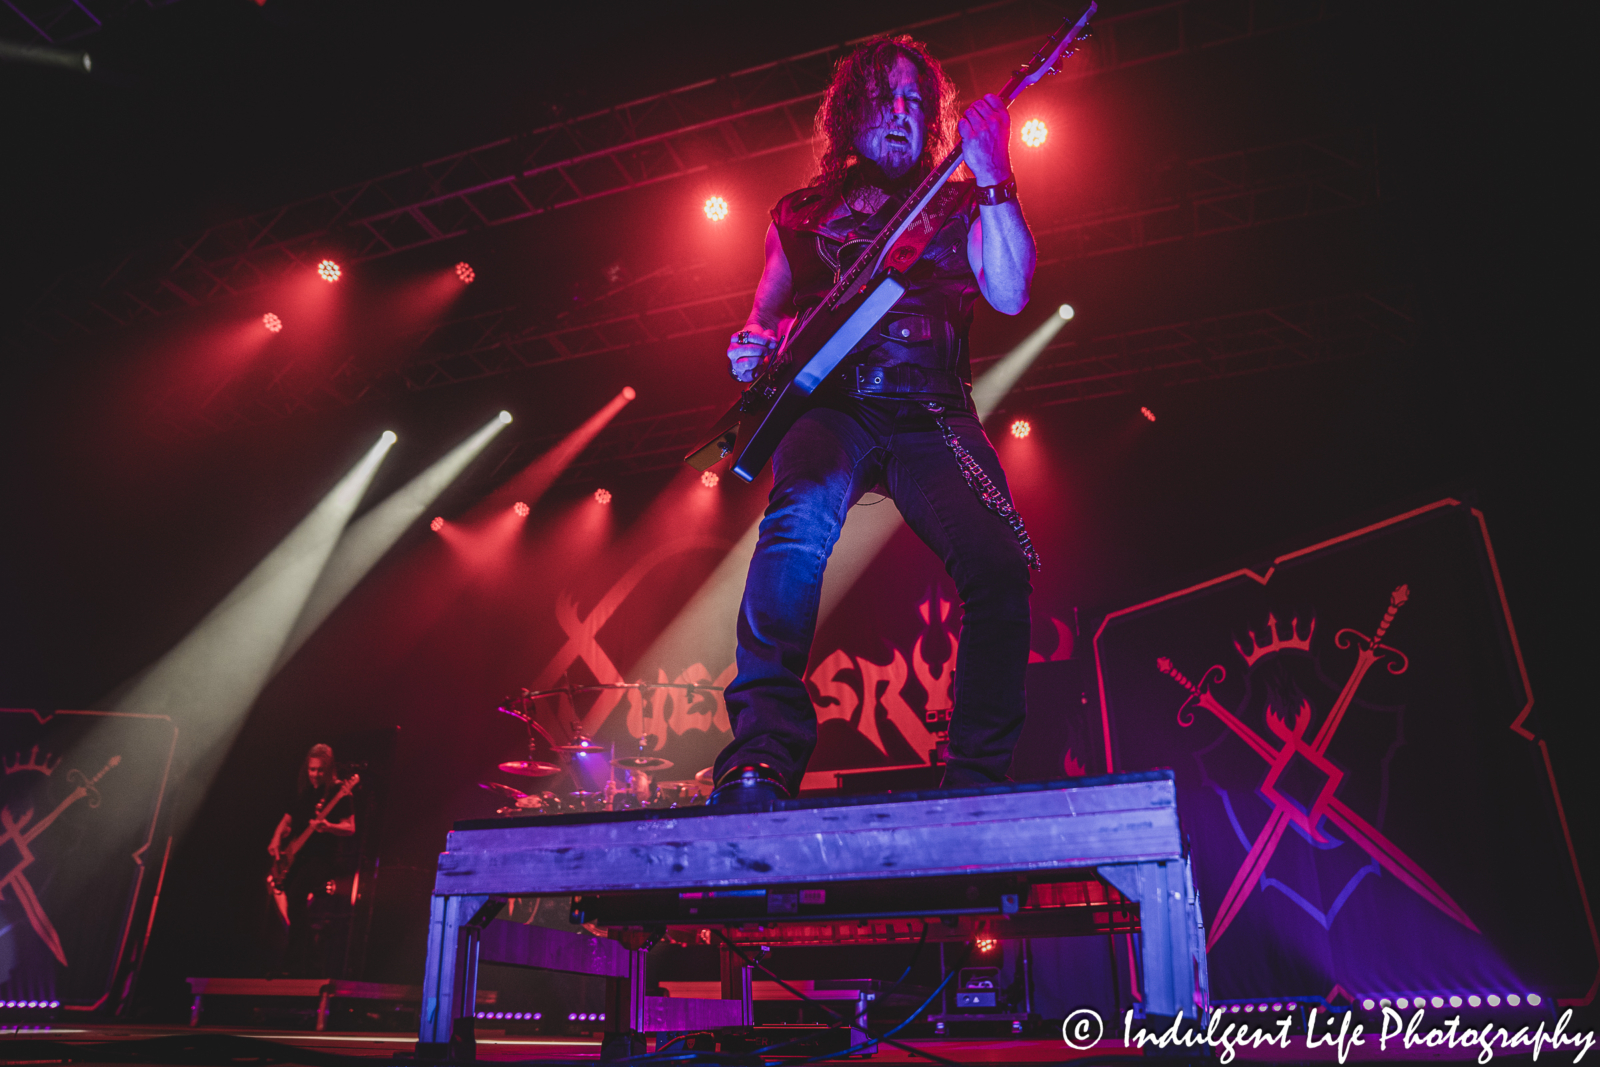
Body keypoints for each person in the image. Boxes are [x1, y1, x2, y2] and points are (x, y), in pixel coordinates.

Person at [710, 35, 1040, 806]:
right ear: (852, 111)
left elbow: (1013, 292)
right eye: (885, 97)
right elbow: (761, 322)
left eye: (915, 101)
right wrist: (750, 350)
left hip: (934, 410)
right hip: (833, 406)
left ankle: (977, 777)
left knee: (1002, 565)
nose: (901, 112)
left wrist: (995, 175)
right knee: (794, 525)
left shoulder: (958, 199)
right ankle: (759, 756)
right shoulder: (798, 215)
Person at [267, 743, 354, 975]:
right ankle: (310, 959)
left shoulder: (339, 791)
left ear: (329, 769)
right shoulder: (306, 792)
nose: (315, 775)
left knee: (296, 897)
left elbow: (350, 827)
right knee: (293, 904)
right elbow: (287, 819)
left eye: (320, 770)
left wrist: (328, 826)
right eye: (311, 769)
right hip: (300, 857)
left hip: (323, 858)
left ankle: (295, 962)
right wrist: (276, 839)